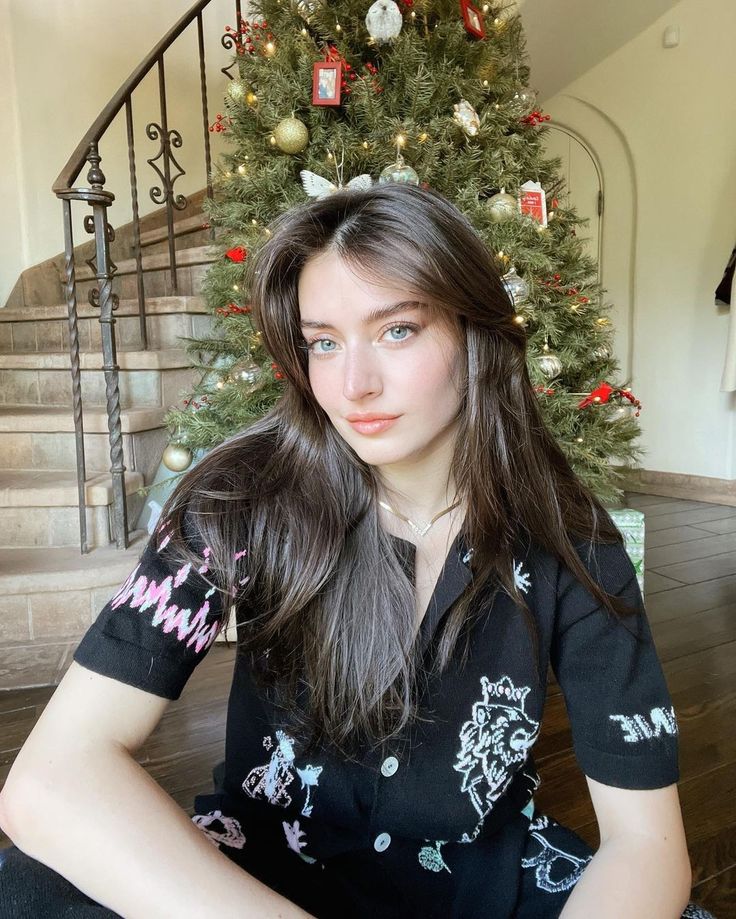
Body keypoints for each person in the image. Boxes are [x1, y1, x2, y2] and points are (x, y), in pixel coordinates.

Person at [0, 183, 715, 919]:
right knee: (25, 886)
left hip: (487, 884)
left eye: (398, 330)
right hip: (264, 875)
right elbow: (51, 780)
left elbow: (645, 843)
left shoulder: (573, 536)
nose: (354, 385)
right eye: (325, 342)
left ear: (476, 331)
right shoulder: (240, 502)